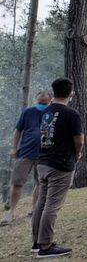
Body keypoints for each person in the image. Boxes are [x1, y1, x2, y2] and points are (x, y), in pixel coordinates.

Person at [31, 77, 84, 258]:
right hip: (60, 165)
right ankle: (46, 246)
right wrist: (77, 154)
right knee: (52, 205)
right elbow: (79, 140)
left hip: (43, 162)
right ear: (71, 94)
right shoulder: (71, 114)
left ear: (53, 94)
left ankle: (37, 242)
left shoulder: (46, 112)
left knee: (42, 202)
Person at [1, 91, 52, 225]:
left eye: (44, 103)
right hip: (25, 152)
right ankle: (11, 212)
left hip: (44, 155)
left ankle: (34, 210)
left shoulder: (53, 113)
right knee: (17, 182)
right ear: (36, 101)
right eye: (39, 103)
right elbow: (18, 130)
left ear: (50, 101)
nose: (41, 105)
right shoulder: (28, 112)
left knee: (40, 183)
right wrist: (14, 147)